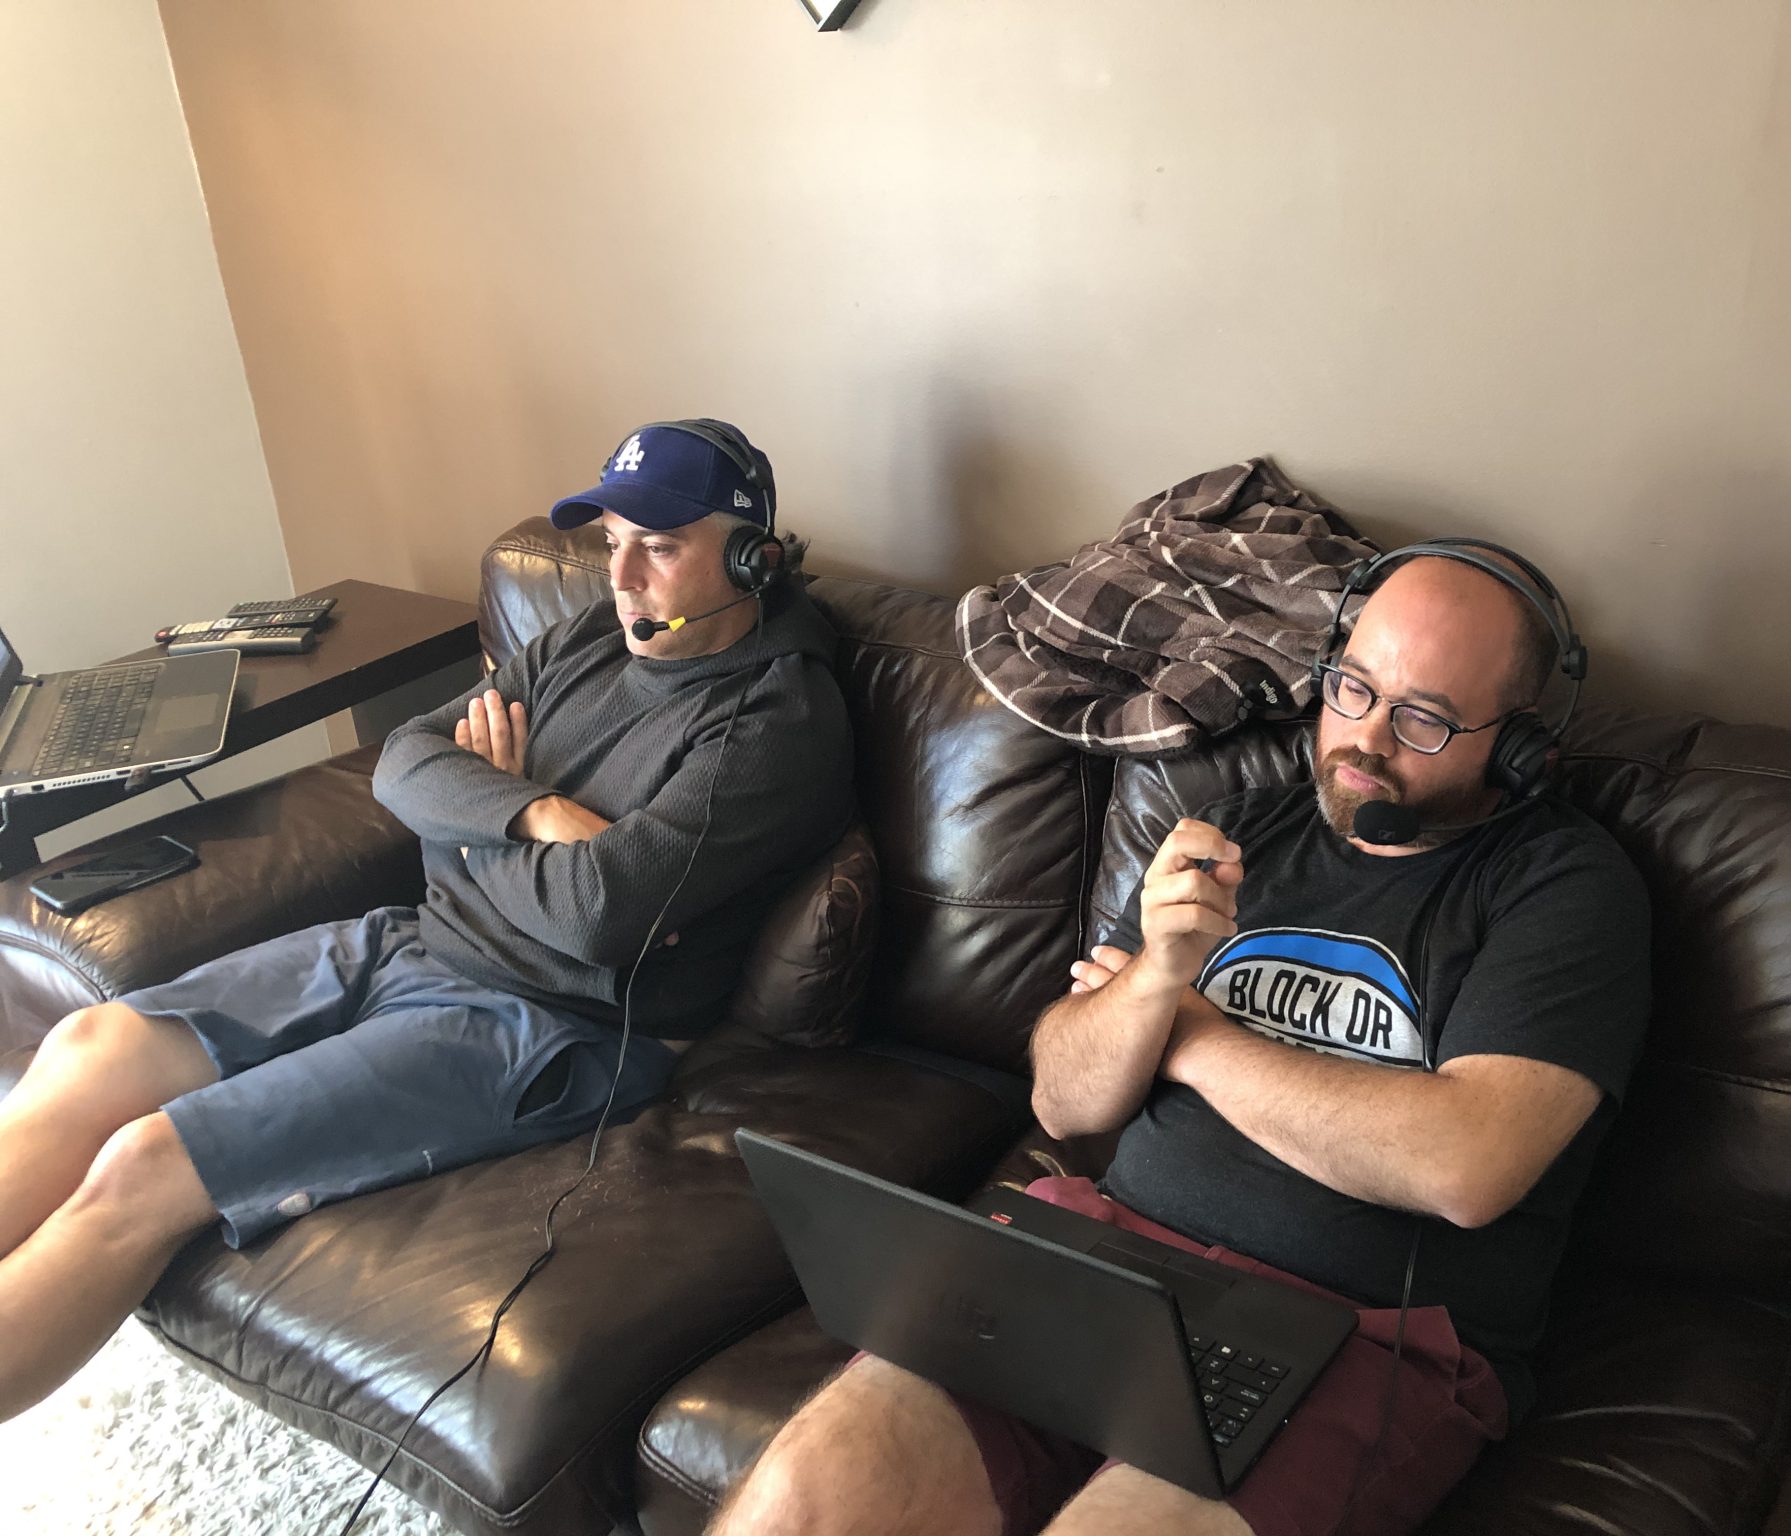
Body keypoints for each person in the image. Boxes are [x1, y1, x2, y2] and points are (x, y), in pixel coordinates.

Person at [712, 542, 1651, 1536]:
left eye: (1422, 717)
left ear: (1517, 748)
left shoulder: (1563, 890)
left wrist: (1191, 1038)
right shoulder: (1234, 831)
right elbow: (1062, 1102)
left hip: (1357, 1333)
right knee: (799, 1499)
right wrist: (1158, 977)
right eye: (1352, 687)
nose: (1364, 738)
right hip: (1102, 1259)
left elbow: (1465, 1164)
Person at [0, 418, 854, 1423]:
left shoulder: (775, 721)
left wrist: (463, 828)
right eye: (612, 541)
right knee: (90, 1048)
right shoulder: (597, 632)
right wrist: (529, 811)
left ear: (752, 559)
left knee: (146, 1166)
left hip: (548, 1025)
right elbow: (404, 760)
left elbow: (596, 917)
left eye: (659, 548)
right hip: (414, 940)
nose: (622, 577)